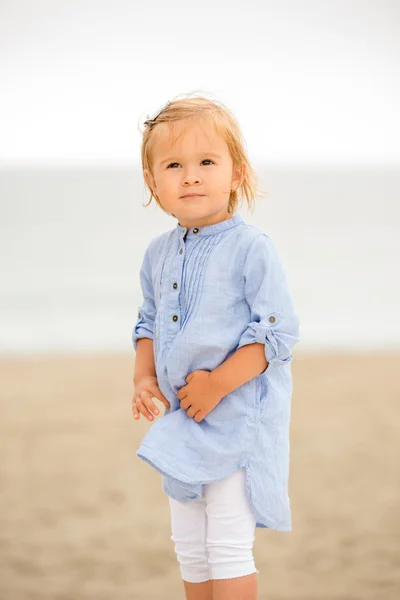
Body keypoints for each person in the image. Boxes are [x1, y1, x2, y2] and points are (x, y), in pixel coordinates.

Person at [131, 93, 300, 600]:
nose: (191, 176)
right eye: (174, 165)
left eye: (207, 162)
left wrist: (216, 383)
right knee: (189, 544)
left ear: (237, 172)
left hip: (235, 421)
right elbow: (148, 320)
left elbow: (277, 334)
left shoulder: (251, 247)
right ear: (153, 182)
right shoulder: (158, 253)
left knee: (227, 544)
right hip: (182, 421)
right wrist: (143, 378)